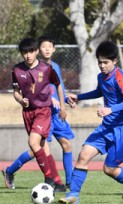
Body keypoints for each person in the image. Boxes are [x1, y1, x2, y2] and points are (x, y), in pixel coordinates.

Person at [58, 40, 123, 204]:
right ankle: (73, 194)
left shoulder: (122, 79)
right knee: (83, 154)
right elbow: (100, 91)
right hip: (107, 126)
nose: (102, 66)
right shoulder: (101, 77)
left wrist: (111, 109)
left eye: (106, 62)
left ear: (115, 61)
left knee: (109, 169)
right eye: (100, 62)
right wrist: (79, 96)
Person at [2, 36, 74, 192]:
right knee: (42, 147)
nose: (28, 55)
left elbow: (58, 86)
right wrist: (21, 100)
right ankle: (58, 183)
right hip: (28, 113)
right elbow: (15, 92)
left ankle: (49, 178)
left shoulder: (47, 68)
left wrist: (62, 106)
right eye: (24, 53)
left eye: (31, 52)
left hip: (44, 111)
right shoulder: (17, 70)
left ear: (36, 52)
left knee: (34, 143)